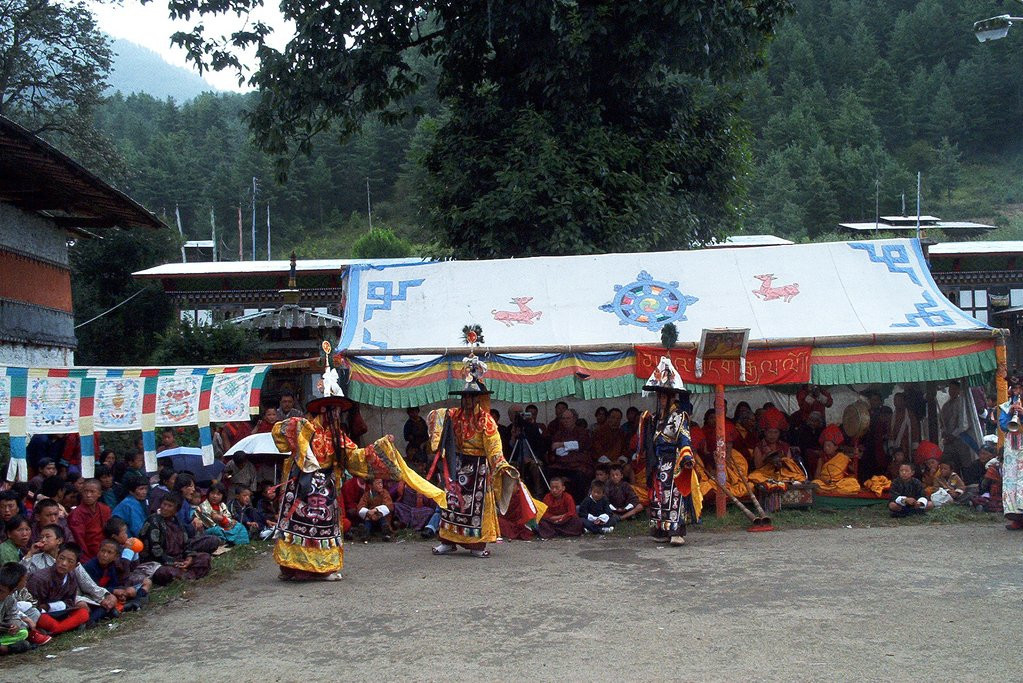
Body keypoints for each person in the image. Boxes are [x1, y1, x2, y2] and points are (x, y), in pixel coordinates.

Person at [269, 353, 401, 580]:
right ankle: (292, 567)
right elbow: (279, 435)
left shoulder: (337, 436)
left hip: (325, 488)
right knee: (298, 526)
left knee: (322, 527)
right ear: (325, 411)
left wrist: (381, 446)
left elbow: (356, 457)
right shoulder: (305, 428)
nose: (339, 415)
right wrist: (299, 429)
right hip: (302, 486)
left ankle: (320, 568)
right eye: (336, 411)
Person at [637, 353, 701, 547]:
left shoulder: (679, 416)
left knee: (674, 497)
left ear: (672, 397)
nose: (661, 399)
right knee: (658, 498)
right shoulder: (655, 418)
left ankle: (676, 532)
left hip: (674, 462)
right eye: (659, 396)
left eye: (664, 396)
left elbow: (684, 436)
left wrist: (687, 455)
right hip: (658, 463)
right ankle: (662, 530)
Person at [139, 493, 213, 586]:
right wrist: (173, 562)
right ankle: (186, 574)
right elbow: (155, 551)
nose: (165, 508)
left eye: (169, 506)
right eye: (164, 504)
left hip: (179, 558)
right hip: (160, 562)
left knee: (205, 557)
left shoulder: (177, 521)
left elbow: (186, 543)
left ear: (176, 510)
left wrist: (189, 557)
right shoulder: (153, 521)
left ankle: (184, 574)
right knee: (164, 572)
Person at [26, 543, 92, 635]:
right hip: (41, 614)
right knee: (41, 618)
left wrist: (51, 606)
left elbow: (70, 601)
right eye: (61, 558)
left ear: (76, 565)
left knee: (83, 612)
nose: (64, 563)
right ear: (56, 557)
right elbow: (32, 606)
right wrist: (44, 608)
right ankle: (62, 627)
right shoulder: (40, 578)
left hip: (59, 612)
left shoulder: (71, 576)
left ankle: (55, 629)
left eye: (70, 561)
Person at [546, 408, 594, 501]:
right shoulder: (559, 433)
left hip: (577, 464)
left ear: (574, 419)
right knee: (549, 471)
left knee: (580, 475)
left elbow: (581, 445)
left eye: (568, 418)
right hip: (562, 464)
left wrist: (563, 444)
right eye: (563, 418)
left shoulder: (582, 432)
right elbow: (556, 449)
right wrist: (569, 447)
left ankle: (578, 502)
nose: (565, 421)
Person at [66, 479, 111, 562]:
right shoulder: (76, 514)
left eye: (92, 492)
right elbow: (79, 540)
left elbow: (109, 533)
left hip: (105, 551)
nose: (88, 495)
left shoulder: (105, 509)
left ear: (99, 494)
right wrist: (87, 559)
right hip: (87, 555)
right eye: (85, 491)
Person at [939, 380, 978, 475]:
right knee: (950, 463)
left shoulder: (962, 403)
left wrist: (953, 435)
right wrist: (944, 433)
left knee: (965, 463)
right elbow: (942, 423)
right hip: (949, 440)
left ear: (958, 390)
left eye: (954, 389)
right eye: (950, 389)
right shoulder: (946, 405)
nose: (952, 391)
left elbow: (964, 424)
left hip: (961, 439)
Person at [812, 425, 862, 495]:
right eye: (825, 446)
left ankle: (830, 492)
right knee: (814, 483)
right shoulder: (822, 459)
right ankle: (830, 492)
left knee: (853, 483)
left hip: (839, 484)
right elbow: (816, 476)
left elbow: (853, 469)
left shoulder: (843, 458)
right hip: (825, 484)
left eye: (829, 445)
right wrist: (825, 480)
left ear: (836, 447)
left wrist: (856, 456)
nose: (826, 448)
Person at [0, 563, 34, 654]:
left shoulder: (10, 600)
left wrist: (14, 626)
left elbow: (13, 615)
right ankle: (5, 649)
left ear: (11, 592)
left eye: (1, 591)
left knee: (23, 633)